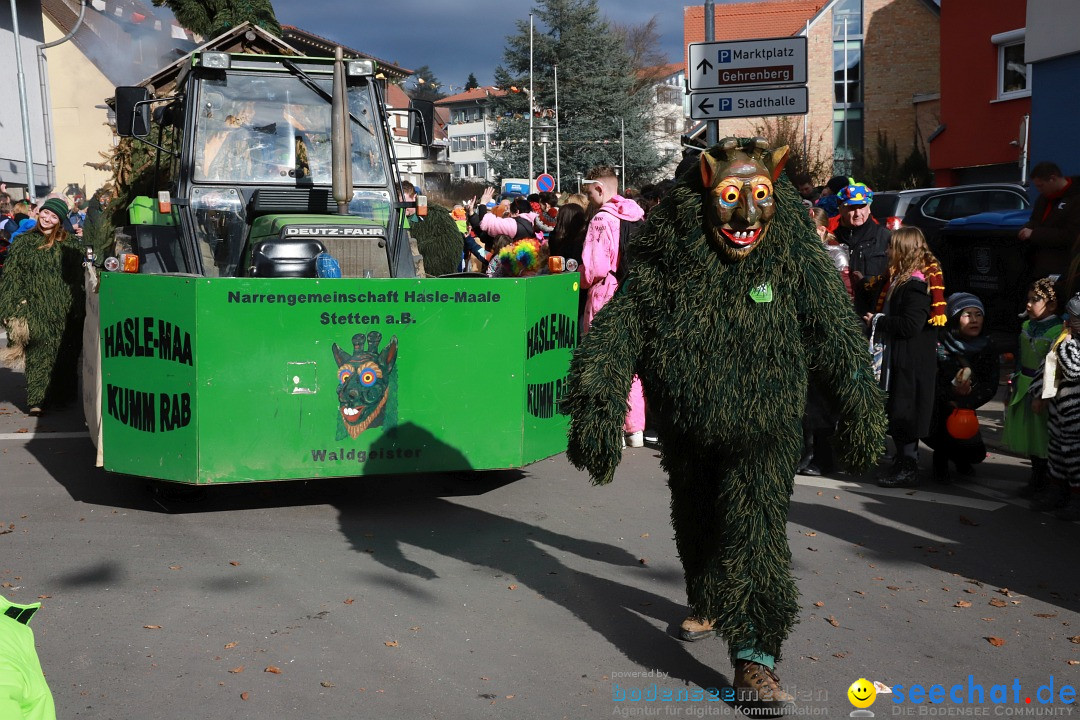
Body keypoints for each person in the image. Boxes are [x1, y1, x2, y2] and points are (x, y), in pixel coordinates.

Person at [863, 226, 945, 488]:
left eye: (892, 247)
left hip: (911, 363)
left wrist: (878, 320)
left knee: (906, 414)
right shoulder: (899, 278)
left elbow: (911, 325)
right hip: (900, 360)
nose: (887, 251)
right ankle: (901, 460)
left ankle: (908, 466)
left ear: (904, 251)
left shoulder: (917, 284)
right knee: (898, 412)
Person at [580, 165, 646, 448]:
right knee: (630, 365)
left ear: (600, 188)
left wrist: (579, 279)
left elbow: (594, 267)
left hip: (605, 295)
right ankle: (635, 429)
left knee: (604, 362)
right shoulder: (637, 214)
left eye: (589, 193)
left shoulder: (602, 220)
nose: (589, 199)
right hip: (631, 294)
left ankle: (611, 428)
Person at [0, 197, 85, 416]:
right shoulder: (23, 243)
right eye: (45, 213)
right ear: (39, 212)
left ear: (60, 220)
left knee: (65, 353)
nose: (47, 218)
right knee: (38, 353)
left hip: (65, 309)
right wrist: (11, 310)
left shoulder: (70, 245)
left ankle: (61, 395)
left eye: (53, 216)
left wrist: (80, 308)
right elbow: (11, 278)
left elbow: (79, 279)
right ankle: (36, 400)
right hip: (35, 307)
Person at [923, 293, 999, 483]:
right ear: (955, 318)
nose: (974, 320)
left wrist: (967, 400)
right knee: (943, 429)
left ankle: (961, 457)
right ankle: (941, 458)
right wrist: (950, 394)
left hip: (966, 407)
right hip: (940, 407)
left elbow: (991, 384)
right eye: (967, 315)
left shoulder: (987, 346)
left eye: (978, 314)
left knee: (975, 453)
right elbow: (930, 381)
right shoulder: (939, 344)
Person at [1003, 278, 1064, 502]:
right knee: (1030, 435)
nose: (1029, 304)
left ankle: (1049, 482)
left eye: (1035, 300)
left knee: (1044, 437)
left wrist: (1044, 394)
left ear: (1052, 305)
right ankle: (1036, 477)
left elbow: (1054, 367)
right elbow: (1020, 360)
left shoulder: (1059, 331)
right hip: (1024, 385)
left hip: (1044, 390)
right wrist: (1012, 386)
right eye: (1028, 299)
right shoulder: (1027, 326)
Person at [1038, 293, 1080, 520]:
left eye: (1074, 319)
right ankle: (1057, 491)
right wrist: (1037, 392)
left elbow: (1073, 369)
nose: (1069, 322)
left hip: (1075, 413)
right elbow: (1046, 366)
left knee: (1075, 456)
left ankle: (1076, 498)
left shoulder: (1068, 343)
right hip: (1058, 411)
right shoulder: (1065, 339)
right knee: (1057, 453)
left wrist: (1065, 345)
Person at [1018, 162, 1080, 292]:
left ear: (1052, 178)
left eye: (1041, 186)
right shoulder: (1044, 199)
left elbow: (1070, 235)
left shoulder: (1075, 199)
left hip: (1063, 266)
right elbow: (1035, 220)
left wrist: (1034, 234)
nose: (1039, 190)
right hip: (1041, 265)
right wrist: (1026, 228)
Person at [836, 182, 892, 315]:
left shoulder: (885, 238)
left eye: (862, 206)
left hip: (872, 314)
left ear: (869, 208)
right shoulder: (832, 240)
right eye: (851, 208)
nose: (857, 213)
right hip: (840, 315)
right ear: (841, 210)